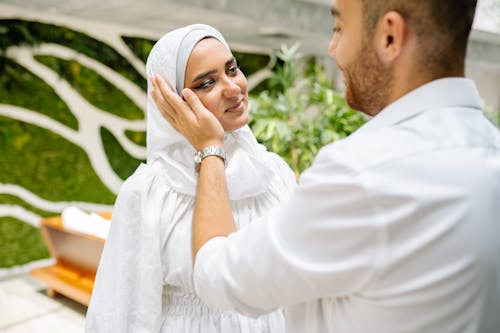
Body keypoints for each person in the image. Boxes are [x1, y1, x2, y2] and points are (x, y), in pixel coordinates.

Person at [150, 1, 500, 332]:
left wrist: (210, 149)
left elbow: (217, 275)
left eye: (339, 28)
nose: (333, 49)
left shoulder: (361, 175)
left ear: (389, 36)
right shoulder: (490, 154)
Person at [85, 24, 296, 332]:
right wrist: (210, 147)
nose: (234, 87)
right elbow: (123, 310)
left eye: (232, 69)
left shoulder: (274, 173)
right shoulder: (149, 192)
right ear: (170, 102)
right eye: (207, 83)